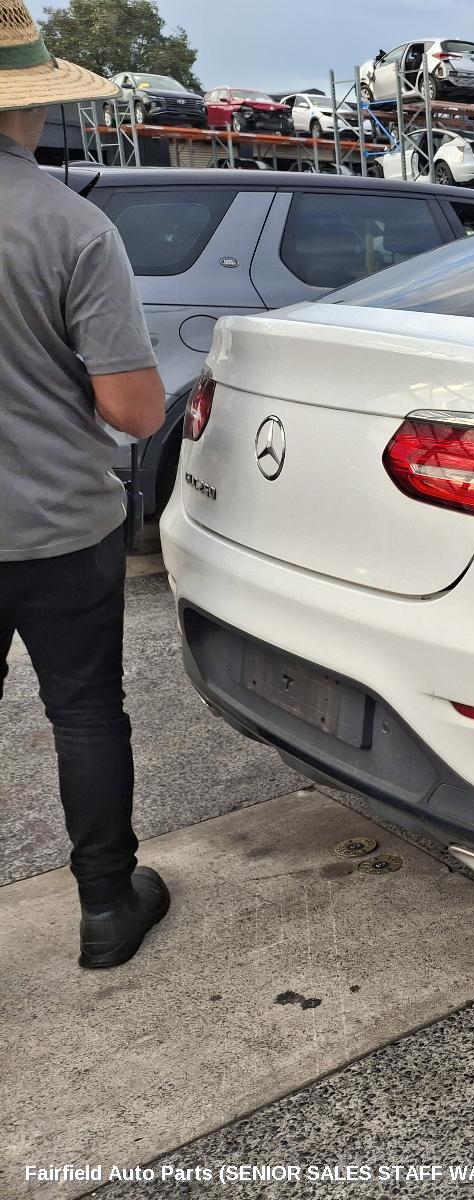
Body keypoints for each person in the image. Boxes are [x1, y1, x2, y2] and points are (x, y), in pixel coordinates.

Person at [0, 0, 171, 967]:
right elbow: (137, 413)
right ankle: (107, 906)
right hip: (59, 523)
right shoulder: (72, 227)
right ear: (28, 107)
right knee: (84, 710)